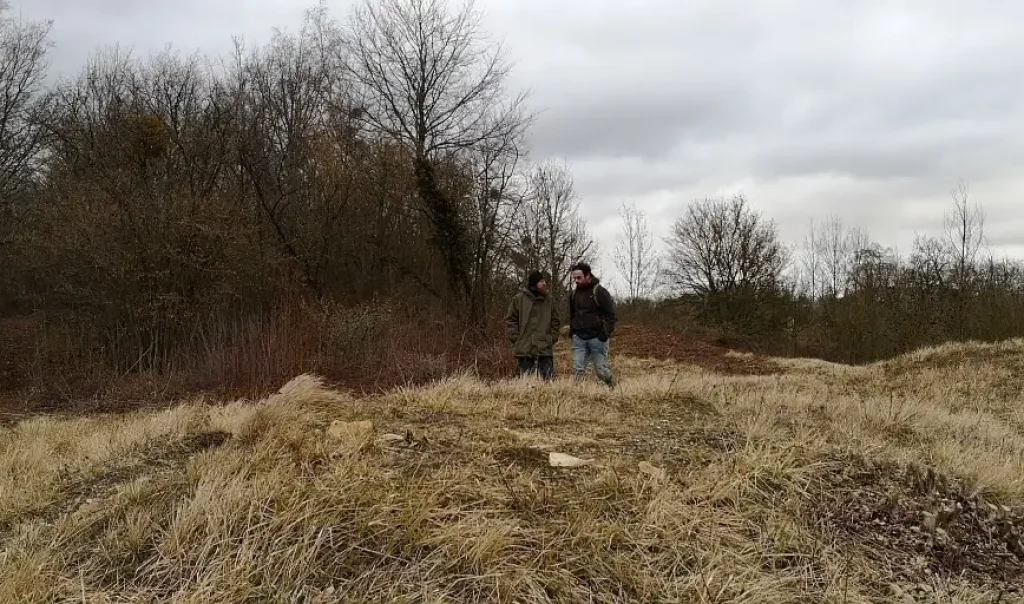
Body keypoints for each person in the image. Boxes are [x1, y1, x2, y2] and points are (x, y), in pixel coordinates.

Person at [568, 262, 617, 387]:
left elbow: (611, 316)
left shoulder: (599, 292)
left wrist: (603, 335)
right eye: (574, 278)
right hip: (579, 338)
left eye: (579, 277)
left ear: (588, 275)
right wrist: (573, 331)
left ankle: (612, 386)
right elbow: (573, 314)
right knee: (578, 370)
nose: (576, 281)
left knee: (601, 371)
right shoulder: (573, 294)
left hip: (597, 338)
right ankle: (578, 396)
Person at [505, 270, 560, 380]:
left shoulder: (549, 300)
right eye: (541, 281)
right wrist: (517, 339)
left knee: (548, 381)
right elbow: (511, 320)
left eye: (544, 281)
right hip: (525, 347)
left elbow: (556, 321)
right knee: (526, 382)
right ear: (534, 284)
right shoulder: (519, 299)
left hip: (545, 347)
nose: (544, 284)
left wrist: (551, 338)